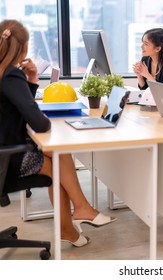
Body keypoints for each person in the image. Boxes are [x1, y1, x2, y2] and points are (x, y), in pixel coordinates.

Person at [0, 19, 116, 247]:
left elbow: (15, 107)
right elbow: (40, 123)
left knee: (58, 157)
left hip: (5, 152)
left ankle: (77, 218)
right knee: (59, 157)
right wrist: (26, 83)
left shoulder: (5, 74)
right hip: (7, 159)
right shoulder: (11, 75)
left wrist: (31, 82)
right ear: (23, 49)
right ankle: (80, 212)